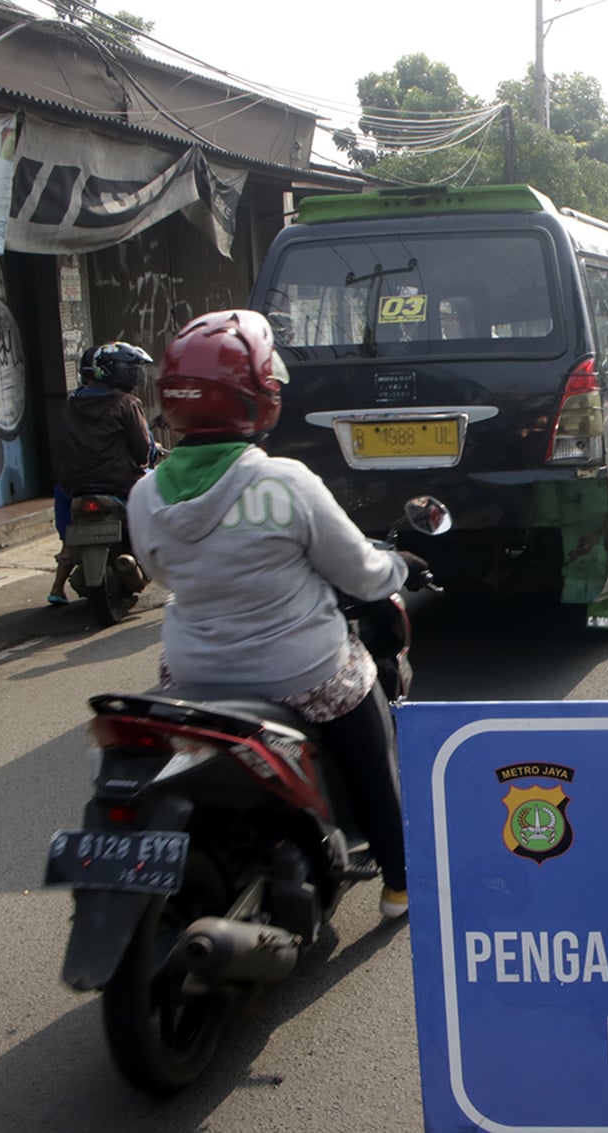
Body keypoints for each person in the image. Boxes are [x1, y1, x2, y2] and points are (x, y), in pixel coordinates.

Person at [126, 310, 422, 919]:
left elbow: (160, 574)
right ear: (260, 394)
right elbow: (360, 571)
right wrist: (401, 569)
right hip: (302, 675)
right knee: (374, 754)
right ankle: (399, 884)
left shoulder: (146, 494)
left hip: (194, 681)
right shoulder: (285, 483)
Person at [48, 342, 156, 606]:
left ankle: (61, 574)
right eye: (132, 368)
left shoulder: (72, 404)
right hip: (119, 484)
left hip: (74, 486)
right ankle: (156, 551)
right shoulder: (128, 403)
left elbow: (62, 446)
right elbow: (142, 450)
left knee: (64, 506)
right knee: (157, 489)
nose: (136, 374)